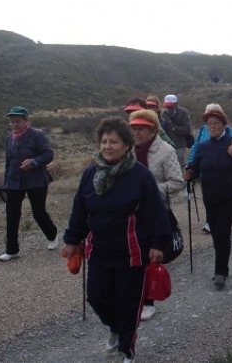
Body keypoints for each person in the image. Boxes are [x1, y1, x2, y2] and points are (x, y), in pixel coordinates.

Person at [62, 117, 171, 363]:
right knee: (96, 297)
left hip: (132, 253)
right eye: (104, 142)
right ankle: (115, 327)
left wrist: (158, 244)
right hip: (99, 250)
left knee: (129, 303)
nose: (107, 146)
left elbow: (155, 211)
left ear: (126, 145)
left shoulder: (140, 176)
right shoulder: (91, 173)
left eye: (114, 142)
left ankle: (126, 351)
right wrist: (72, 240)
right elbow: (79, 209)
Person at [184, 108, 232, 289]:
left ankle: (220, 272)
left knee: (222, 231)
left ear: (224, 124)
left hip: (231, 196)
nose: (212, 126)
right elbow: (195, 168)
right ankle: (222, 264)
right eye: (209, 124)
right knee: (216, 232)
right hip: (210, 196)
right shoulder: (203, 147)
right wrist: (190, 173)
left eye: (216, 123)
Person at [128, 109, 185, 321]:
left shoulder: (166, 151)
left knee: (148, 257)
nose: (137, 132)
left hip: (156, 212)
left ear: (153, 129)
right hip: (130, 213)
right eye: (134, 128)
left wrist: (149, 189)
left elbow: (177, 182)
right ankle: (133, 297)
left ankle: (148, 301)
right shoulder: (127, 150)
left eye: (141, 128)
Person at [0, 106, 57, 261]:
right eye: (12, 122)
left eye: (18, 121)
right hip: (14, 181)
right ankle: (12, 250)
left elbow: (49, 154)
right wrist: (6, 182)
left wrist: (34, 161)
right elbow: (8, 162)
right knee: (12, 215)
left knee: (38, 212)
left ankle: (52, 235)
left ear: (26, 121)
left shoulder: (37, 135)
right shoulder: (9, 138)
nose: (15, 124)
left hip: (36, 180)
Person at [187, 103, 232, 234]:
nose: (211, 124)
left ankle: (217, 221)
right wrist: (191, 162)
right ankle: (210, 220)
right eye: (209, 119)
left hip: (224, 175)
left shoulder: (229, 132)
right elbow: (196, 146)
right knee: (208, 194)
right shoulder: (203, 129)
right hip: (206, 168)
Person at [161, 94, 192, 167]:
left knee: (179, 166)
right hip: (166, 145)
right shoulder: (163, 114)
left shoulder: (183, 112)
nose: (168, 108)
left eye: (170, 106)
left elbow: (187, 129)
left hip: (180, 145)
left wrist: (174, 129)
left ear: (176, 104)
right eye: (167, 106)